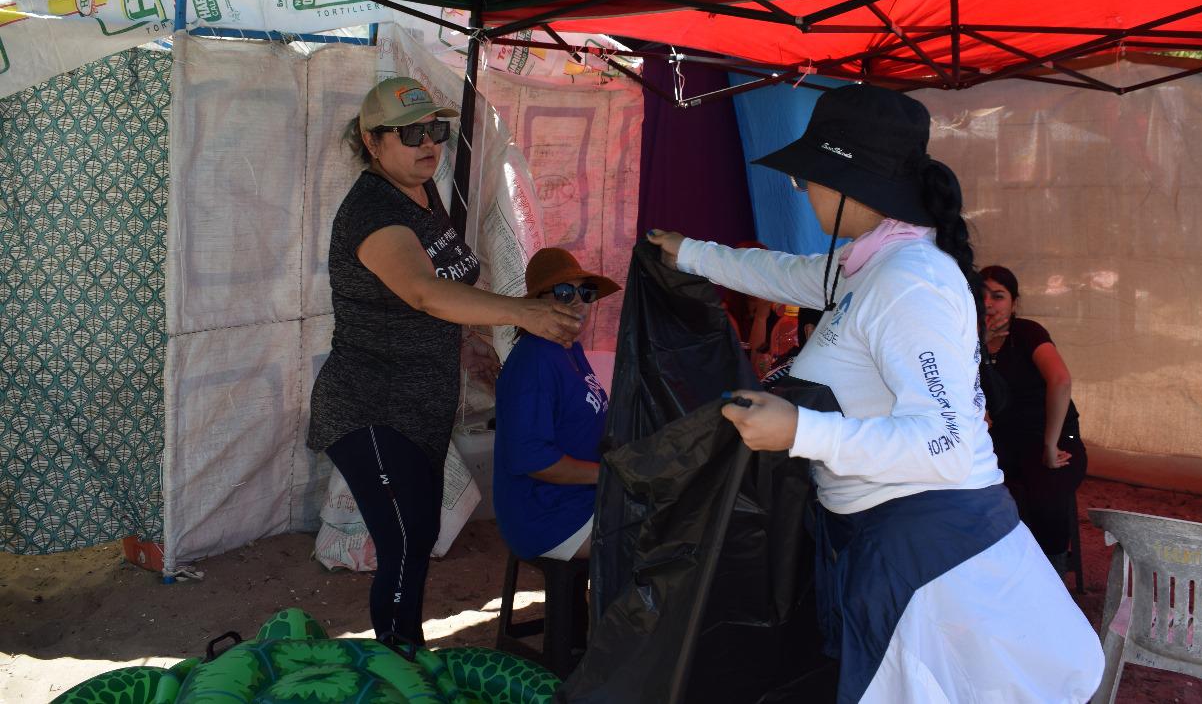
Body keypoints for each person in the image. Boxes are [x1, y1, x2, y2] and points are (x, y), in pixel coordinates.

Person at [647, 84, 1102, 703]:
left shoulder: (909, 281)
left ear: (845, 180)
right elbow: (784, 272)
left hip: (930, 553)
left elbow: (943, 444)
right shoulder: (869, 264)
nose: (802, 189)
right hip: (886, 536)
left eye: (808, 176)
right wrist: (690, 253)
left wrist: (802, 432)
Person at [307, 77, 582, 645]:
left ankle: (403, 651)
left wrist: (484, 338)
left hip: (420, 407)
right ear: (372, 140)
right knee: (405, 540)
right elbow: (424, 292)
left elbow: (448, 292)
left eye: (435, 129)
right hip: (370, 406)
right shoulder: (373, 212)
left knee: (419, 532)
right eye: (411, 133)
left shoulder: (424, 194)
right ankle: (398, 659)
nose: (428, 143)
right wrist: (522, 315)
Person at [493, 248, 619, 560]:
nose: (578, 301)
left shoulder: (568, 349)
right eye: (564, 292)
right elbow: (535, 460)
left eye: (585, 292)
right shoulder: (536, 358)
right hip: (551, 517)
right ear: (538, 302)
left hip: (578, 500)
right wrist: (608, 475)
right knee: (672, 534)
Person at [981, 264, 1087, 571]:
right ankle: (1003, 571)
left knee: (1045, 500)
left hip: (1051, 439)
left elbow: (1061, 380)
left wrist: (1051, 446)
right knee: (982, 499)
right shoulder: (966, 342)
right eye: (982, 295)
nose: (988, 303)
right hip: (1001, 442)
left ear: (1014, 303)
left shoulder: (1028, 333)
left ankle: (1052, 576)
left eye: (998, 296)